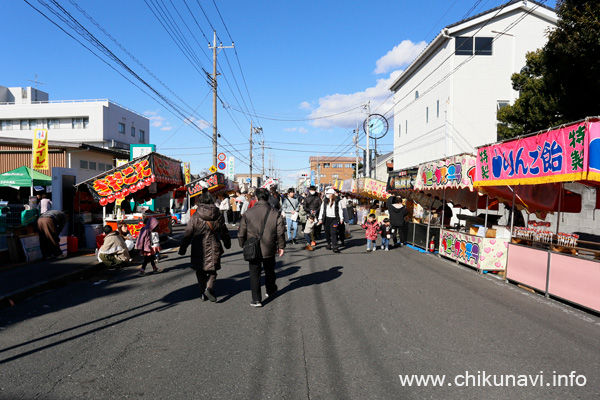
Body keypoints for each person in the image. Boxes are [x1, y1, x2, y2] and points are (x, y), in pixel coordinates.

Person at [179, 192, 231, 302]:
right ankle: (209, 288)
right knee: (212, 271)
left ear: (200, 202)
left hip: (198, 247)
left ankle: (203, 292)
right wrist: (227, 243)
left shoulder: (195, 215)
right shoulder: (218, 214)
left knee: (200, 270)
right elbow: (224, 231)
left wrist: (183, 248)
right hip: (213, 245)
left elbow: (188, 233)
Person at [238, 188, 286, 307]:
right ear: (268, 197)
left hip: (252, 247)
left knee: (254, 273)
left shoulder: (248, 213)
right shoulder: (275, 212)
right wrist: (281, 246)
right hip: (269, 246)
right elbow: (280, 232)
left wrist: (243, 244)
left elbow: (241, 232)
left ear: (256, 197)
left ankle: (256, 299)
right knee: (269, 270)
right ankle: (270, 290)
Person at [318, 188, 344, 253]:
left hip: (334, 219)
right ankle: (329, 244)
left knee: (334, 232)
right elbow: (322, 210)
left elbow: (340, 210)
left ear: (332, 194)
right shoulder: (325, 201)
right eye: (327, 193)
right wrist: (320, 218)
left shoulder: (337, 201)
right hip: (326, 219)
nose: (328, 195)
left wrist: (341, 218)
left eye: (329, 193)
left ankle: (335, 246)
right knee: (327, 232)